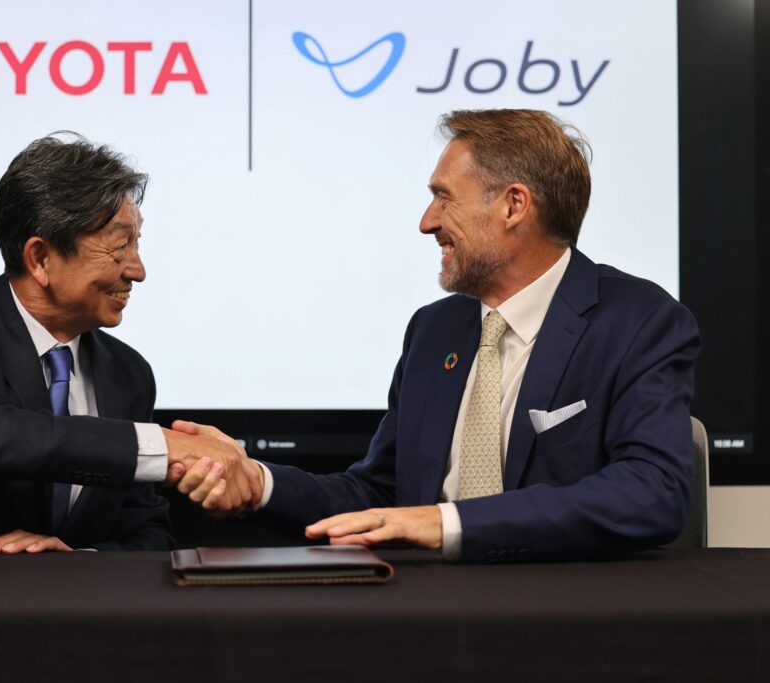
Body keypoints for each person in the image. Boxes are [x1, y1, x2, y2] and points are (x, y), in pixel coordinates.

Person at [172, 109, 701, 563]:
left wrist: (449, 524)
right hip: (424, 614)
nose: (427, 222)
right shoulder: (434, 329)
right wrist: (256, 481)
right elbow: (378, 494)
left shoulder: (639, 321)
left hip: (561, 618)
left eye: (444, 198)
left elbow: (652, 491)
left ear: (514, 206)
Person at [0, 133, 258, 551]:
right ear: (41, 259)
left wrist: (79, 560)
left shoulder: (128, 373)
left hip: (75, 612)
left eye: (137, 244)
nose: (137, 271)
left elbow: (147, 534)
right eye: (119, 248)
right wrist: (158, 444)